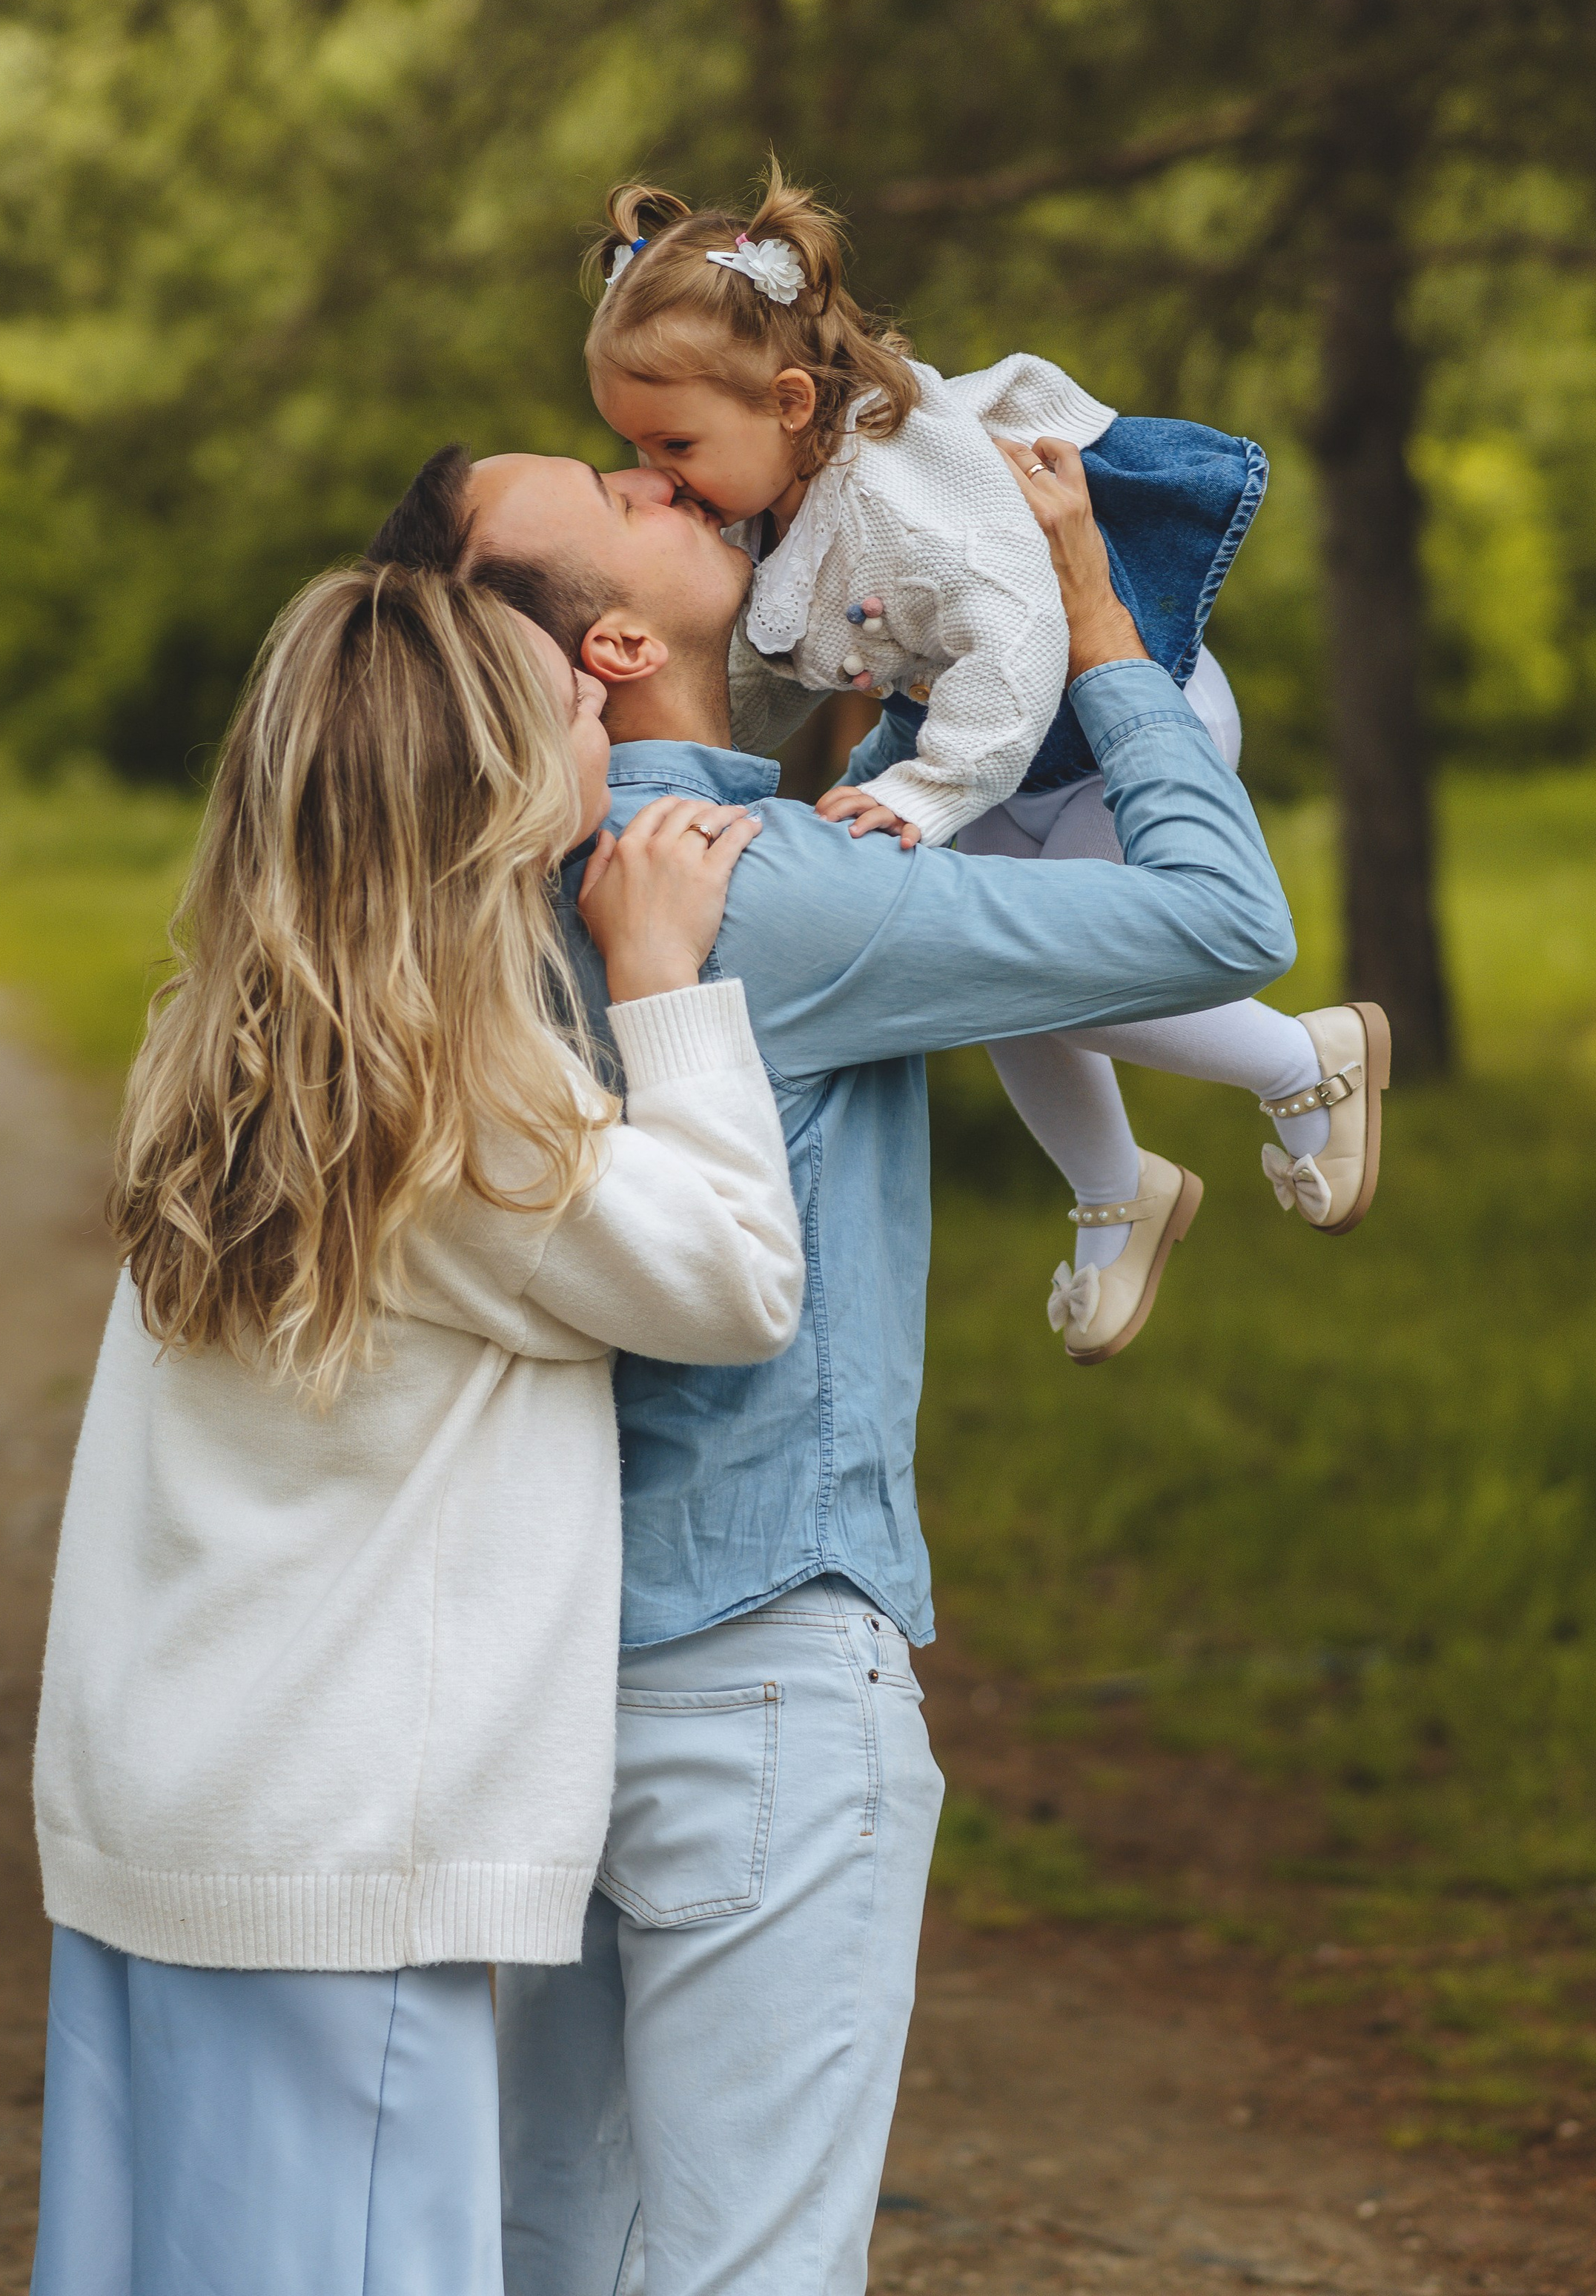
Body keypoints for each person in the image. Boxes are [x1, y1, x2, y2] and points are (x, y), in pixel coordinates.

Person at [362, 430, 1297, 2296]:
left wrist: (894, 757)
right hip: (765, 1677)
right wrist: (1094, 620)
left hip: (546, 1678)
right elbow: (1225, 922)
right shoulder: (761, 889)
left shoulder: (459, 902)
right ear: (609, 652)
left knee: (556, 2244)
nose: (665, 474)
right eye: (622, 496)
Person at [27, 560, 807, 2296]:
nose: (609, 702)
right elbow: (736, 1273)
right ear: (494, 797)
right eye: (571, 705)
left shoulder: (233, 1053)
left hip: (171, 1813)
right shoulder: (453, 1110)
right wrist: (665, 984)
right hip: (336, 1857)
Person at [581, 170, 1387, 1362]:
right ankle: (1120, 1186)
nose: (660, 474)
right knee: (987, 963)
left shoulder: (904, 486)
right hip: (1002, 753)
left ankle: (1306, 1059)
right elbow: (759, 681)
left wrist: (926, 788)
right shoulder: (769, 508)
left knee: (1073, 958)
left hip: (1114, 716)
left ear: (792, 399)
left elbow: (1019, 636)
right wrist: (658, 753)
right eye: (634, 448)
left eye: (673, 442)